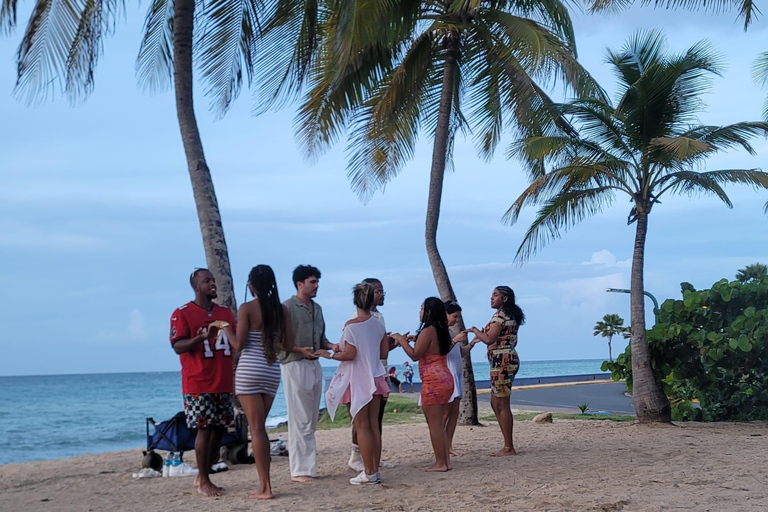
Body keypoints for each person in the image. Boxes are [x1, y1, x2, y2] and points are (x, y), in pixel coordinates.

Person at [233, 265, 307, 499]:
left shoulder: (246, 308)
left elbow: (238, 345)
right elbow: (285, 343)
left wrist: (223, 328)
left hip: (249, 369)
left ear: (252, 285)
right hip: (270, 370)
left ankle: (265, 487)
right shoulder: (281, 310)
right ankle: (265, 485)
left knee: (256, 429)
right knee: (260, 428)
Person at [169, 268, 237, 497]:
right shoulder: (183, 313)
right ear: (196, 286)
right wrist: (200, 338)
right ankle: (205, 480)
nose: (212, 284)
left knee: (219, 430)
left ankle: (203, 475)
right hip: (198, 382)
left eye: (213, 280)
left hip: (223, 381)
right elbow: (177, 345)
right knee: (204, 430)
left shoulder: (225, 313)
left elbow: (234, 342)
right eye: (206, 281)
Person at [320, 282, 389, 485]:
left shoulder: (351, 326)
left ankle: (368, 472)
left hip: (358, 379)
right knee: (374, 426)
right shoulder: (378, 324)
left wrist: (330, 355)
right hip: (375, 376)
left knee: (362, 426)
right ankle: (374, 469)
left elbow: (350, 354)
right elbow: (383, 352)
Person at [280, 265, 337, 482]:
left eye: (317, 282)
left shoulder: (318, 308)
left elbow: (321, 339)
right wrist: (299, 350)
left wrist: (333, 346)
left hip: (314, 364)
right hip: (295, 364)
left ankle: (307, 468)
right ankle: (300, 470)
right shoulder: (287, 307)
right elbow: (279, 341)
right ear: (300, 284)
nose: (316, 286)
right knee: (300, 419)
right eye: (312, 282)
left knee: (311, 419)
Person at [391, 298, 453, 472]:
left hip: (433, 381)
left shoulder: (428, 331)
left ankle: (440, 463)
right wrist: (414, 340)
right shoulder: (442, 331)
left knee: (434, 424)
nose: (419, 312)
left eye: (421, 308)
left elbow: (415, 355)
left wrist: (400, 339)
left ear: (429, 312)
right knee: (439, 423)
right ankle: (445, 461)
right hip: (445, 377)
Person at [464, 286, 524, 457]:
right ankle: (506, 443)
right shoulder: (510, 315)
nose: (491, 298)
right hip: (504, 358)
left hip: (502, 361)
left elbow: (489, 338)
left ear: (505, 299)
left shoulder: (500, 316)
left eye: (495, 295)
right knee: (494, 402)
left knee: (502, 404)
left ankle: (508, 447)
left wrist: (475, 330)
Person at [347, 278, 397, 473]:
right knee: (362, 418)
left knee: (376, 418)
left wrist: (391, 343)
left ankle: (374, 457)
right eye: (378, 291)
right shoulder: (358, 321)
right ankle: (357, 456)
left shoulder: (377, 318)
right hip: (367, 373)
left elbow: (378, 350)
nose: (382, 295)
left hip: (379, 370)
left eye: (382, 291)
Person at [442, 300, 477, 457]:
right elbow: (441, 351)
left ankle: (448, 445)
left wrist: (472, 343)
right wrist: (455, 339)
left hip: (456, 373)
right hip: (446, 373)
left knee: (454, 413)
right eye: (455, 316)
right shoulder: (439, 331)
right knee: (446, 413)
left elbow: (459, 353)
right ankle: (441, 445)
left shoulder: (449, 332)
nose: (457, 320)